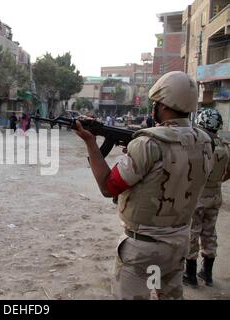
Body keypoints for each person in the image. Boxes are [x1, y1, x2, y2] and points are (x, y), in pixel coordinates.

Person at [75, 71, 213, 300]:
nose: (153, 108)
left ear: (165, 106)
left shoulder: (148, 143)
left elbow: (108, 187)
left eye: (156, 103)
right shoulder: (205, 142)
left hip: (143, 250)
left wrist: (90, 143)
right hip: (178, 243)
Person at [183, 108, 230, 288]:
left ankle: (190, 274)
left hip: (198, 194)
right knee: (210, 232)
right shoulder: (225, 146)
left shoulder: (199, 144)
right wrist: (217, 181)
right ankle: (207, 274)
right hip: (215, 193)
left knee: (192, 232)